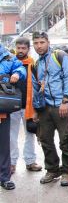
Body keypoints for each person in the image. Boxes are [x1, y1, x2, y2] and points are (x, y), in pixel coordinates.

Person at [31, 31, 68, 187]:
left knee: (66, 140)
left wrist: (65, 100)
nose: (39, 46)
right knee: (45, 140)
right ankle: (52, 170)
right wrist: (35, 110)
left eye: (42, 42)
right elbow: (36, 88)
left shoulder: (60, 56)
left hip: (61, 105)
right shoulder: (36, 64)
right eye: (36, 43)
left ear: (48, 42)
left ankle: (67, 172)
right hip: (44, 107)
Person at [10, 37, 41, 174]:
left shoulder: (33, 64)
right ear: (15, 48)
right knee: (11, 135)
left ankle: (30, 161)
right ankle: (11, 163)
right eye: (19, 48)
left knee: (30, 134)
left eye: (23, 48)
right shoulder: (10, 63)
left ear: (28, 49)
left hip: (29, 106)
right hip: (12, 106)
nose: (21, 51)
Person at [0, 43, 26, 190]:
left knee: (4, 145)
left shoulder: (8, 57)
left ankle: (4, 177)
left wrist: (17, 74)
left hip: (2, 108)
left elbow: (21, 67)